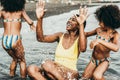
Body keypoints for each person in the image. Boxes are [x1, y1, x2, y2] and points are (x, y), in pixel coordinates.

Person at [27, 0, 88, 80]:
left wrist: (81, 24)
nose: (69, 21)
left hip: (70, 73)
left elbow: (83, 49)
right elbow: (40, 39)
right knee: (31, 69)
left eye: (73, 20)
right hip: (54, 70)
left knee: (46, 63)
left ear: (78, 26)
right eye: (69, 19)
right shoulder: (60, 35)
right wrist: (39, 19)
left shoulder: (81, 38)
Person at [82, 5, 120, 80]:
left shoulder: (114, 34)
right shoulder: (99, 30)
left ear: (108, 21)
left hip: (104, 61)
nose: (99, 24)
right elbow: (85, 34)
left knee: (97, 75)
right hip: (93, 60)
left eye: (101, 21)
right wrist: (81, 23)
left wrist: (99, 41)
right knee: (84, 78)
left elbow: (116, 48)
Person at [0, 0, 36, 79]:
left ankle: (11, 76)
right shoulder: (20, 11)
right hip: (15, 39)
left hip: (4, 40)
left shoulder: (2, 12)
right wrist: (33, 27)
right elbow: (30, 22)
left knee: (14, 59)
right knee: (22, 61)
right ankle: (23, 78)